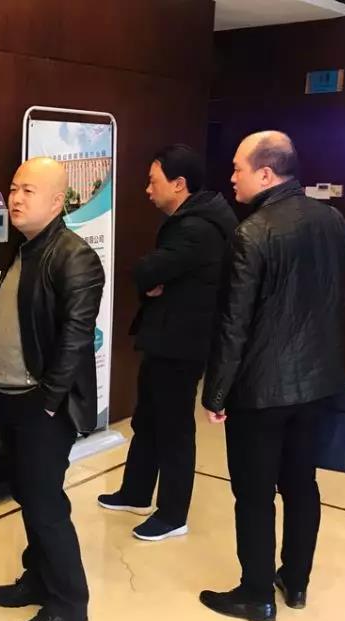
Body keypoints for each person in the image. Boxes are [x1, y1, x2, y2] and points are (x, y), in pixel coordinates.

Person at [200, 131, 345, 621]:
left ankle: (256, 594)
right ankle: (297, 581)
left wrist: (216, 392)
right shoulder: (333, 220)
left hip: (261, 390)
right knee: (302, 484)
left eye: (238, 168)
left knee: (255, 493)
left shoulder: (252, 232)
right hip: (320, 383)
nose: (231, 177)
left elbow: (233, 323)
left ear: (265, 174)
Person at [0, 157, 105, 621]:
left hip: (42, 404)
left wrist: (50, 402)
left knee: (45, 504)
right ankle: (37, 577)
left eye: (28, 191)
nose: (15, 198)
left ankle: (70, 604)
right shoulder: (24, 248)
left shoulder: (74, 256)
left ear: (57, 202)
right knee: (27, 495)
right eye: (14, 188)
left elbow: (76, 339)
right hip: (11, 396)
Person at [98, 145, 237, 541]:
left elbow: (146, 269)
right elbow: (155, 275)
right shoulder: (196, 218)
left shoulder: (196, 228)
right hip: (166, 336)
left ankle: (173, 514)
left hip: (182, 342)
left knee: (174, 427)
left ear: (179, 184)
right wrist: (155, 281)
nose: (147, 189)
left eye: (153, 181)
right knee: (148, 418)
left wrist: (151, 278)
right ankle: (136, 491)